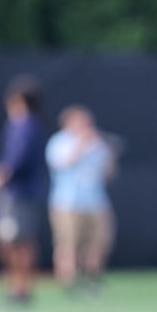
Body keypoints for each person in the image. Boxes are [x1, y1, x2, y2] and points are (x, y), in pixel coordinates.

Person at [0, 74, 47, 304]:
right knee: (13, 239)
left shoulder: (24, 125)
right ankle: (18, 286)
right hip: (21, 194)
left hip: (18, 195)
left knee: (17, 240)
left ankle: (21, 287)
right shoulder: (29, 125)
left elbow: (15, 161)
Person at [45, 104, 117, 296]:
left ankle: (92, 279)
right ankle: (69, 282)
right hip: (68, 202)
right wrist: (81, 144)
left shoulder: (98, 143)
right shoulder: (59, 141)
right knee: (68, 242)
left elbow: (107, 173)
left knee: (99, 241)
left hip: (96, 202)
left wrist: (110, 152)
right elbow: (63, 163)